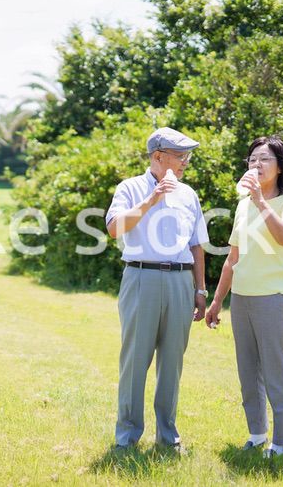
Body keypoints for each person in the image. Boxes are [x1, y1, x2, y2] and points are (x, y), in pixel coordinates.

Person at [105, 126, 209, 451]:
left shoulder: (189, 195)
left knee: (172, 362)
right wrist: (152, 199)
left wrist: (201, 290)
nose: (185, 162)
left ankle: (168, 436)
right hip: (141, 278)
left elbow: (197, 245)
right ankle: (127, 437)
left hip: (181, 281)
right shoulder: (130, 188)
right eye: (180, 155)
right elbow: (114, 228)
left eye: (187, 156)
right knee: (135, 361)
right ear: (158, 156)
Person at [206, 135, 283, 459]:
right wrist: (217, 301)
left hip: (273, 298)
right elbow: (232, 259)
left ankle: (282, 442)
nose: (256, 164)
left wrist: (261, 201)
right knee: (248, 372)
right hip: (242, 299)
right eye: (252, 160)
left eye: (264, 159)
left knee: (276, 373)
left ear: (280, 167)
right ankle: (257, 433)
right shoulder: (242, 205)